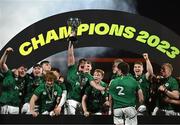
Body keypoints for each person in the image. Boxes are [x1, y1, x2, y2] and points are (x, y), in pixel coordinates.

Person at [66, 33, 105, 115]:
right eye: (82, 66)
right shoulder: (72, 69)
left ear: (90, 68)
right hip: (71, 100)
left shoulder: (89, 76)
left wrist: (106, 88)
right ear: (78, 66)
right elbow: (70, 55)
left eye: (87, 66)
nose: (84, 68)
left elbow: (95, 86)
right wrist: (71, 42)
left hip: (82, 103)